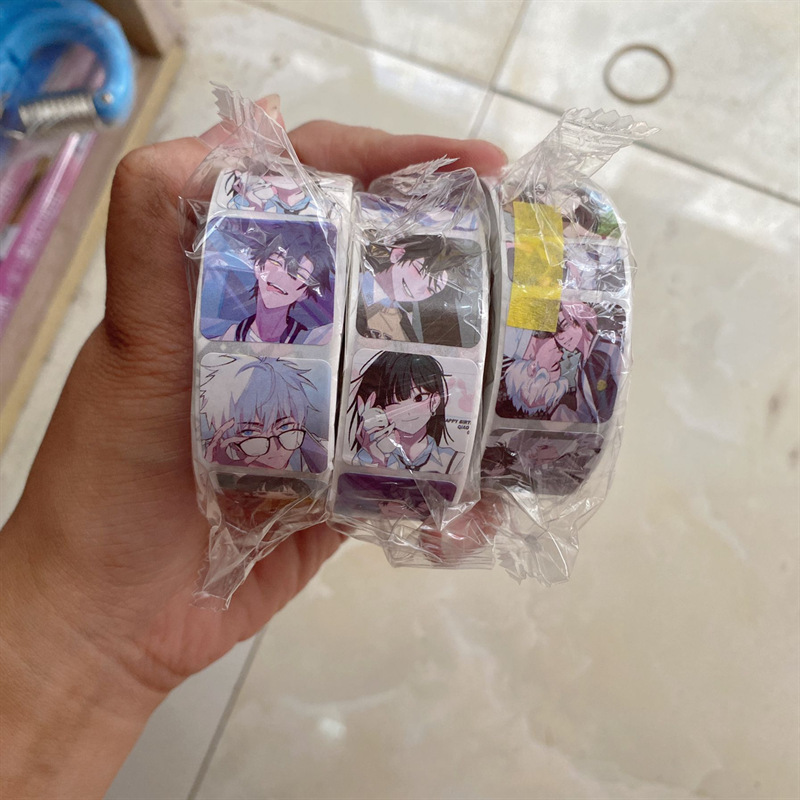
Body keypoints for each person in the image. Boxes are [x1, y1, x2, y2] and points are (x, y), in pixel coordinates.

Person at [0, 104, 506, 797]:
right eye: (277, 260)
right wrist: (96, 638)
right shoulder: (256, 339)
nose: (285, 275)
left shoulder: (374, 346)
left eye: (301, 270)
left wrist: (98, 649)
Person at [200, 353, 327, 473]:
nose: (274, 448)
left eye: (284, 427)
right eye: (250, 432)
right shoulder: (206, 456)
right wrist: (216, 471)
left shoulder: (322, 452)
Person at [213, 221, 334, 345]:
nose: (282, 277)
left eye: (299, 275)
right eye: (276, 262)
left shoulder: (313, 340)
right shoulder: (229, 337)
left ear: (305, 293)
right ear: (257, 265)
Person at [349, 351, 463, 474]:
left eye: (419, 398)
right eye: (393, 402)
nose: (408, 411)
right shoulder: (365, 456)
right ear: (379, 409)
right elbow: (358, 484)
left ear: (434, 401)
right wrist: (375, 458)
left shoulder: (455, 462)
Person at [356, 234, 476, 344]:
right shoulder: (355, 279)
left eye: (430, 290)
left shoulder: (404, 321)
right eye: (418, 271)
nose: (419, 288)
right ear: (398, 255)